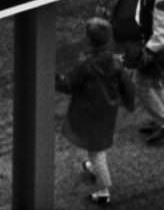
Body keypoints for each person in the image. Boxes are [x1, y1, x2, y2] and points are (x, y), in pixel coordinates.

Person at [56, 17, 136, 206]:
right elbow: (128, 86)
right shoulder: (116, 62)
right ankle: (95, 169)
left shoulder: (86, 64)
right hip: (107, 112)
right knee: (97, 147)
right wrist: (130, 103)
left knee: (96, 152)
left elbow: (70, 84)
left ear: (89, 40)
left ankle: (103, 190)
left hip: (89, 113)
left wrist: (54, 79)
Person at [113, 0, 164, 143]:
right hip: (154, 42)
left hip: (157, 46)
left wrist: (150, 50)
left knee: (141, 84)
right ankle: (163, 117)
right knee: (155, 81)